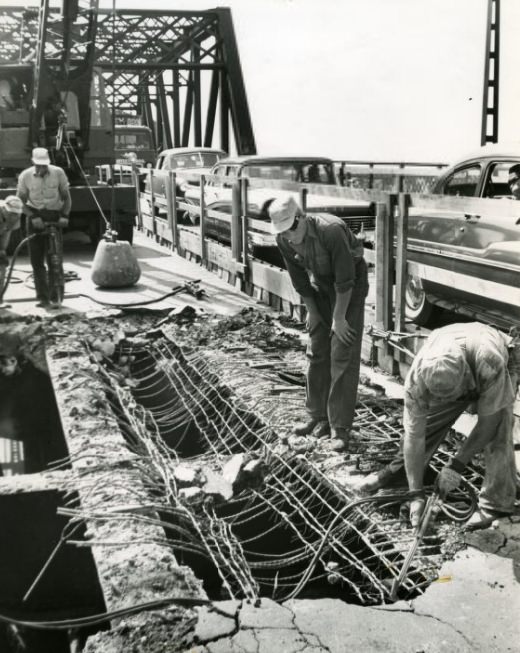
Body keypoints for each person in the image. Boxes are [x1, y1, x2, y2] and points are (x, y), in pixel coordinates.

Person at [357, 322, 519, 530]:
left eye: (456, 395)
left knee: (500, 427)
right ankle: (398, 475)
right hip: (459, 363)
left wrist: (457, 465)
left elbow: (489, 423)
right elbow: (414, 436)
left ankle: (495, 503)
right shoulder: (418, 378)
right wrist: (416, 494)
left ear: (466, 376)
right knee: (427, 425)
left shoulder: (490, 362)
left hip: (499, 356)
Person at [268, 195, 369, 446]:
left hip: (349, 288)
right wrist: (313, 313)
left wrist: (339, 318)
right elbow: (300, 281)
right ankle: (317, 416)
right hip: (321, 287)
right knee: (317, 349)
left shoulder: (330, 230)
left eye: (292, 227)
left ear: (301, 218)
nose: (289, 235)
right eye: (283, 230)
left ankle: (340, 427)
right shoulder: (284, 240)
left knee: (341, 351)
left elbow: (346, 279)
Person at [16, 147, 71, 307]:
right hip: (35, 216)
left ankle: (57, 297)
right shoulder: (25, 176)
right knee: (37, 260)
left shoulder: (58, 173)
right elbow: (20, 201)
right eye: (39, 166)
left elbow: (67, 198)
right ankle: (43, 297)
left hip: (54, 215)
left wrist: (64, 216)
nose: (42, 168)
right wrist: (33, 217)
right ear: (33, 163)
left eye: (44, 165)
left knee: (55, 258)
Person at [0, 195, 24, 289]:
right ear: (4, 209)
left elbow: (6, 233)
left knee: (2, 266)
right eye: (11, 213)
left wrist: (2, 250)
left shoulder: (16, 218)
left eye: (16, 214)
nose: (14, 216)